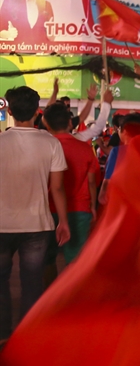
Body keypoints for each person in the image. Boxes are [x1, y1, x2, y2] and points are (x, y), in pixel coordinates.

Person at [0, 86, 70, 339]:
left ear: (9, 110)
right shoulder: (51, 143)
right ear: (37, 112)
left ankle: (2, 335)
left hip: (1, 224)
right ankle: (25, 338)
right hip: (37, 225)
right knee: (32, 283)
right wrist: (62, 220)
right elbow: (58, 188)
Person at [42, 101, 98, 270]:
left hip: (48, 210)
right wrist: (93, 206)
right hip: (79, 209)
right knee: (76, 261)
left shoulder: (44, 147)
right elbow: (91, 181)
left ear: (46, 124)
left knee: (48, 259)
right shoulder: (85, 148)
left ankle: (52, 294)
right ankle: (70, 294)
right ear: (69, 123)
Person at [98, 114, 140, 205]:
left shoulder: (117, 151)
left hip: (122, 200)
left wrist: (102, 193)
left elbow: (108, 179)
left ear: (124, 131)